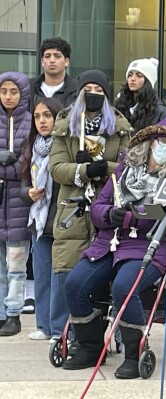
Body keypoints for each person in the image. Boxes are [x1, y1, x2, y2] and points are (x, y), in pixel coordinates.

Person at [62, 116, 166, 374]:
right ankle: (91, 349)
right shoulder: (126, 168)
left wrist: (124, 216)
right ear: (150, 140)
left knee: (125, 286)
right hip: (110, 242)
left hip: (151, 246)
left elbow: (162, 217)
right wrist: (106, 215)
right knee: (74, 284)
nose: (165, 146)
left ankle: (134, 355)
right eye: (161, 140)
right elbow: (99, 206)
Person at [49, 70, 132, 338]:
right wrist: (84, 169)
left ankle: (105, 334)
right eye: (88, 88)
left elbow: (129, 168)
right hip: (73, 211)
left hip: (107, 210)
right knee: (70, 273)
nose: (92, 94)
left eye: (98, 89)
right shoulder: (65, 126)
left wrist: (102, 168)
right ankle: (72, 334)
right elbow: (57, 168)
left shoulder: (120, 127)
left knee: (103, 275)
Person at [20, 97, 65, 340]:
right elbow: (23, 184)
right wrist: (27, 193)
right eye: (37, 116)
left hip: (59, 220)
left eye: (47, 115)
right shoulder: (32, 147)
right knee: (42, 275)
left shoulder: (64, 145)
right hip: (38, 221)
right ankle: (44, 326)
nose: (42, 121)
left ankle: (58, 329)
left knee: (59, 277)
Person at [0, 72, 33, 336]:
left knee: (16, 265)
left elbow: (29, 166)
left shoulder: (32, 122)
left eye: (14, 91)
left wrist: (9, 167)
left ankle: (14, 313)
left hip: (20, 206)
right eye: (3, 91)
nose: (8, 96)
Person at [115, 57, 166, 135]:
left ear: (148, 81)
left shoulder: (160, 112)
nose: (132, 79)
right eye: (130, 75)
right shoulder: (120, 107)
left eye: (139, 75)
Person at [29, 37, 78, 109]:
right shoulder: (29, 87)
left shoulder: (77, 89)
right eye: (47, 56)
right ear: (42, 61)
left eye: (57, 56)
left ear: (66, 61)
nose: (52, 60)